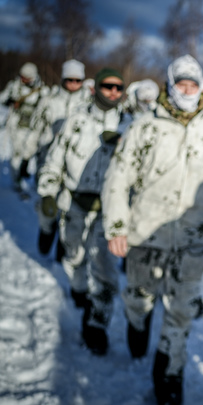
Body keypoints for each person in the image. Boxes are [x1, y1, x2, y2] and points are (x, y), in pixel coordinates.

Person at [102, 54, 203, 405]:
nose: (188, 90)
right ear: (170, 84)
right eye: (181, 83)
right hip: (146, 234)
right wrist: (116, 226)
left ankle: (169, 373)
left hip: (192, 240)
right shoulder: (145, 127)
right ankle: (137, 322)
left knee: (181, 311)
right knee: (139, 298)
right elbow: (118, 178)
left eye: (193, 84)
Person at [37, 67, 130, 354]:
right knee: (74, 255)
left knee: (104, 269)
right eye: (107, 86)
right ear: (96, 88)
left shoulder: (130, 125)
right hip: (74, 204)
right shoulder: (76, 121)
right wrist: (48, 191)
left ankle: (97, 323)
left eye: (118, 87)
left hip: (108, 212)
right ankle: (78, 289)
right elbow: (55, 159)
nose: (113, 92)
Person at [29, 59, 91, 256]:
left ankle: (61, 250)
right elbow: (36, 128)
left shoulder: (88, 104)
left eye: (77, 80)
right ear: (64, 79)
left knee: (68, 211)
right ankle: (46, 232)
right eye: (70, 79)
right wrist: (28, 153)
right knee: (47, 207)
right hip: (48, 161)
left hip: (74, 166)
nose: (73, 84)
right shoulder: (50, 101)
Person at [0, 62, 50, 192]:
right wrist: (10, 100)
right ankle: (17, 180)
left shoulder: (42, 90)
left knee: (30, 153)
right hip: (16, 126)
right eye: (22, 77)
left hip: (34, 129)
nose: (23, 80)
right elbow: (3, 99)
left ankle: (26, 172)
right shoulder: (14, 86)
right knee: (16, 154)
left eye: (26, 78)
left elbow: (48, 107)